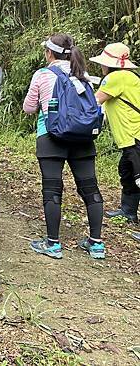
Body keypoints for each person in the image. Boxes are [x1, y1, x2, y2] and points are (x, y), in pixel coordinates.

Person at [22, 34, 105, 260]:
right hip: (83, 139)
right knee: (90, 188)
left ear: (49, 53)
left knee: (52, 188)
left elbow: (28, 108)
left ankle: (53, 243)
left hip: (51, 136)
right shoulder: (83, 75)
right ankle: (96, 244)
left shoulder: (43, 74)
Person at [93, 42, 140, 226]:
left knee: (137, 176)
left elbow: (95, 100)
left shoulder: (115, 78)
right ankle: (128, 212)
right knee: (127, 171)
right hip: (130, 138)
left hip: (135, 136)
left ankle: (129, 212)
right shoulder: (129, 76)